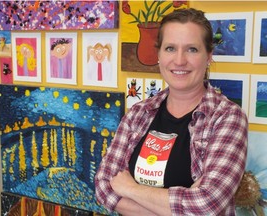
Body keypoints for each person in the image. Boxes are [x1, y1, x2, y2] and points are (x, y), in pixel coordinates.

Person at [95, 8, 248, 216]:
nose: (179, 60)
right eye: (170, 48)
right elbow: (104, 188)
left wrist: (130, 189)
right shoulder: (138, 113)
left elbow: (206, 205)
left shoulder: (227, 117)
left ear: (209, 56)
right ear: (158, 54)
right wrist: (179, 208)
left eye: (192, 49)